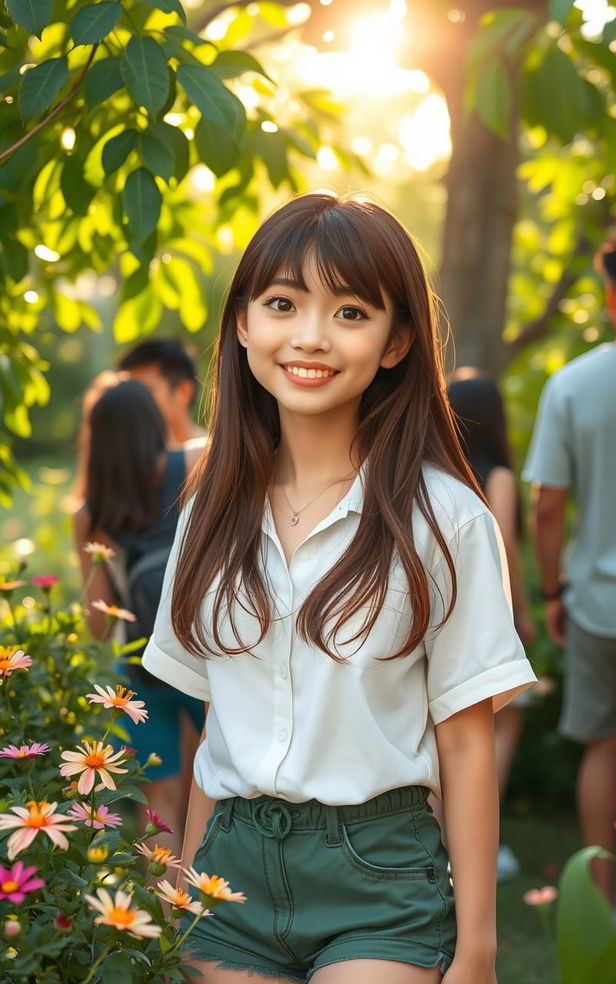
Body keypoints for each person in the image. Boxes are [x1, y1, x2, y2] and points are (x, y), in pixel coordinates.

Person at [143, 192, 536, 984]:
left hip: (379, 877)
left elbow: (466, 742)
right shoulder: (207, 513)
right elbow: (212, 727)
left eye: (351, 311)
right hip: (230, 875)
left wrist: (480, 950)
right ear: (245, 323)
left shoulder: (446, 520)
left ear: (396, 343)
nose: (311, 337)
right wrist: (181, 905)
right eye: (283, 303)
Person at [523, 226, 616, 908]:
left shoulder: (573, 384)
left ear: (610, 294)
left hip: (594, 597)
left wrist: (552, 591)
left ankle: (602, 901)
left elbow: (547, 506)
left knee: (601, 746)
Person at [73, 378, 206, 859]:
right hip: (204, 656)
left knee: (163, 806)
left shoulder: (91, 514)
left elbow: (101, 626)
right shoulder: (195, 461)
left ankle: (170, 924)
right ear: (153, 422)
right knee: (220, 792)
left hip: (143, 670)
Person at [447, 369, 536, 882]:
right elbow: (505, 547)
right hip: (489, 613)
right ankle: (484, 841)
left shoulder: (438, 470)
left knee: (450, 730)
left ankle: (443, 837)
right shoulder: (497, 476)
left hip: (443, 608)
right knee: (501, 724)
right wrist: (522, 612)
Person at [116, 337, 206, 447]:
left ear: (183, 392)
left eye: (144, 391)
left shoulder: (219, 458)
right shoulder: (123, 457)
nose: (132, 401)